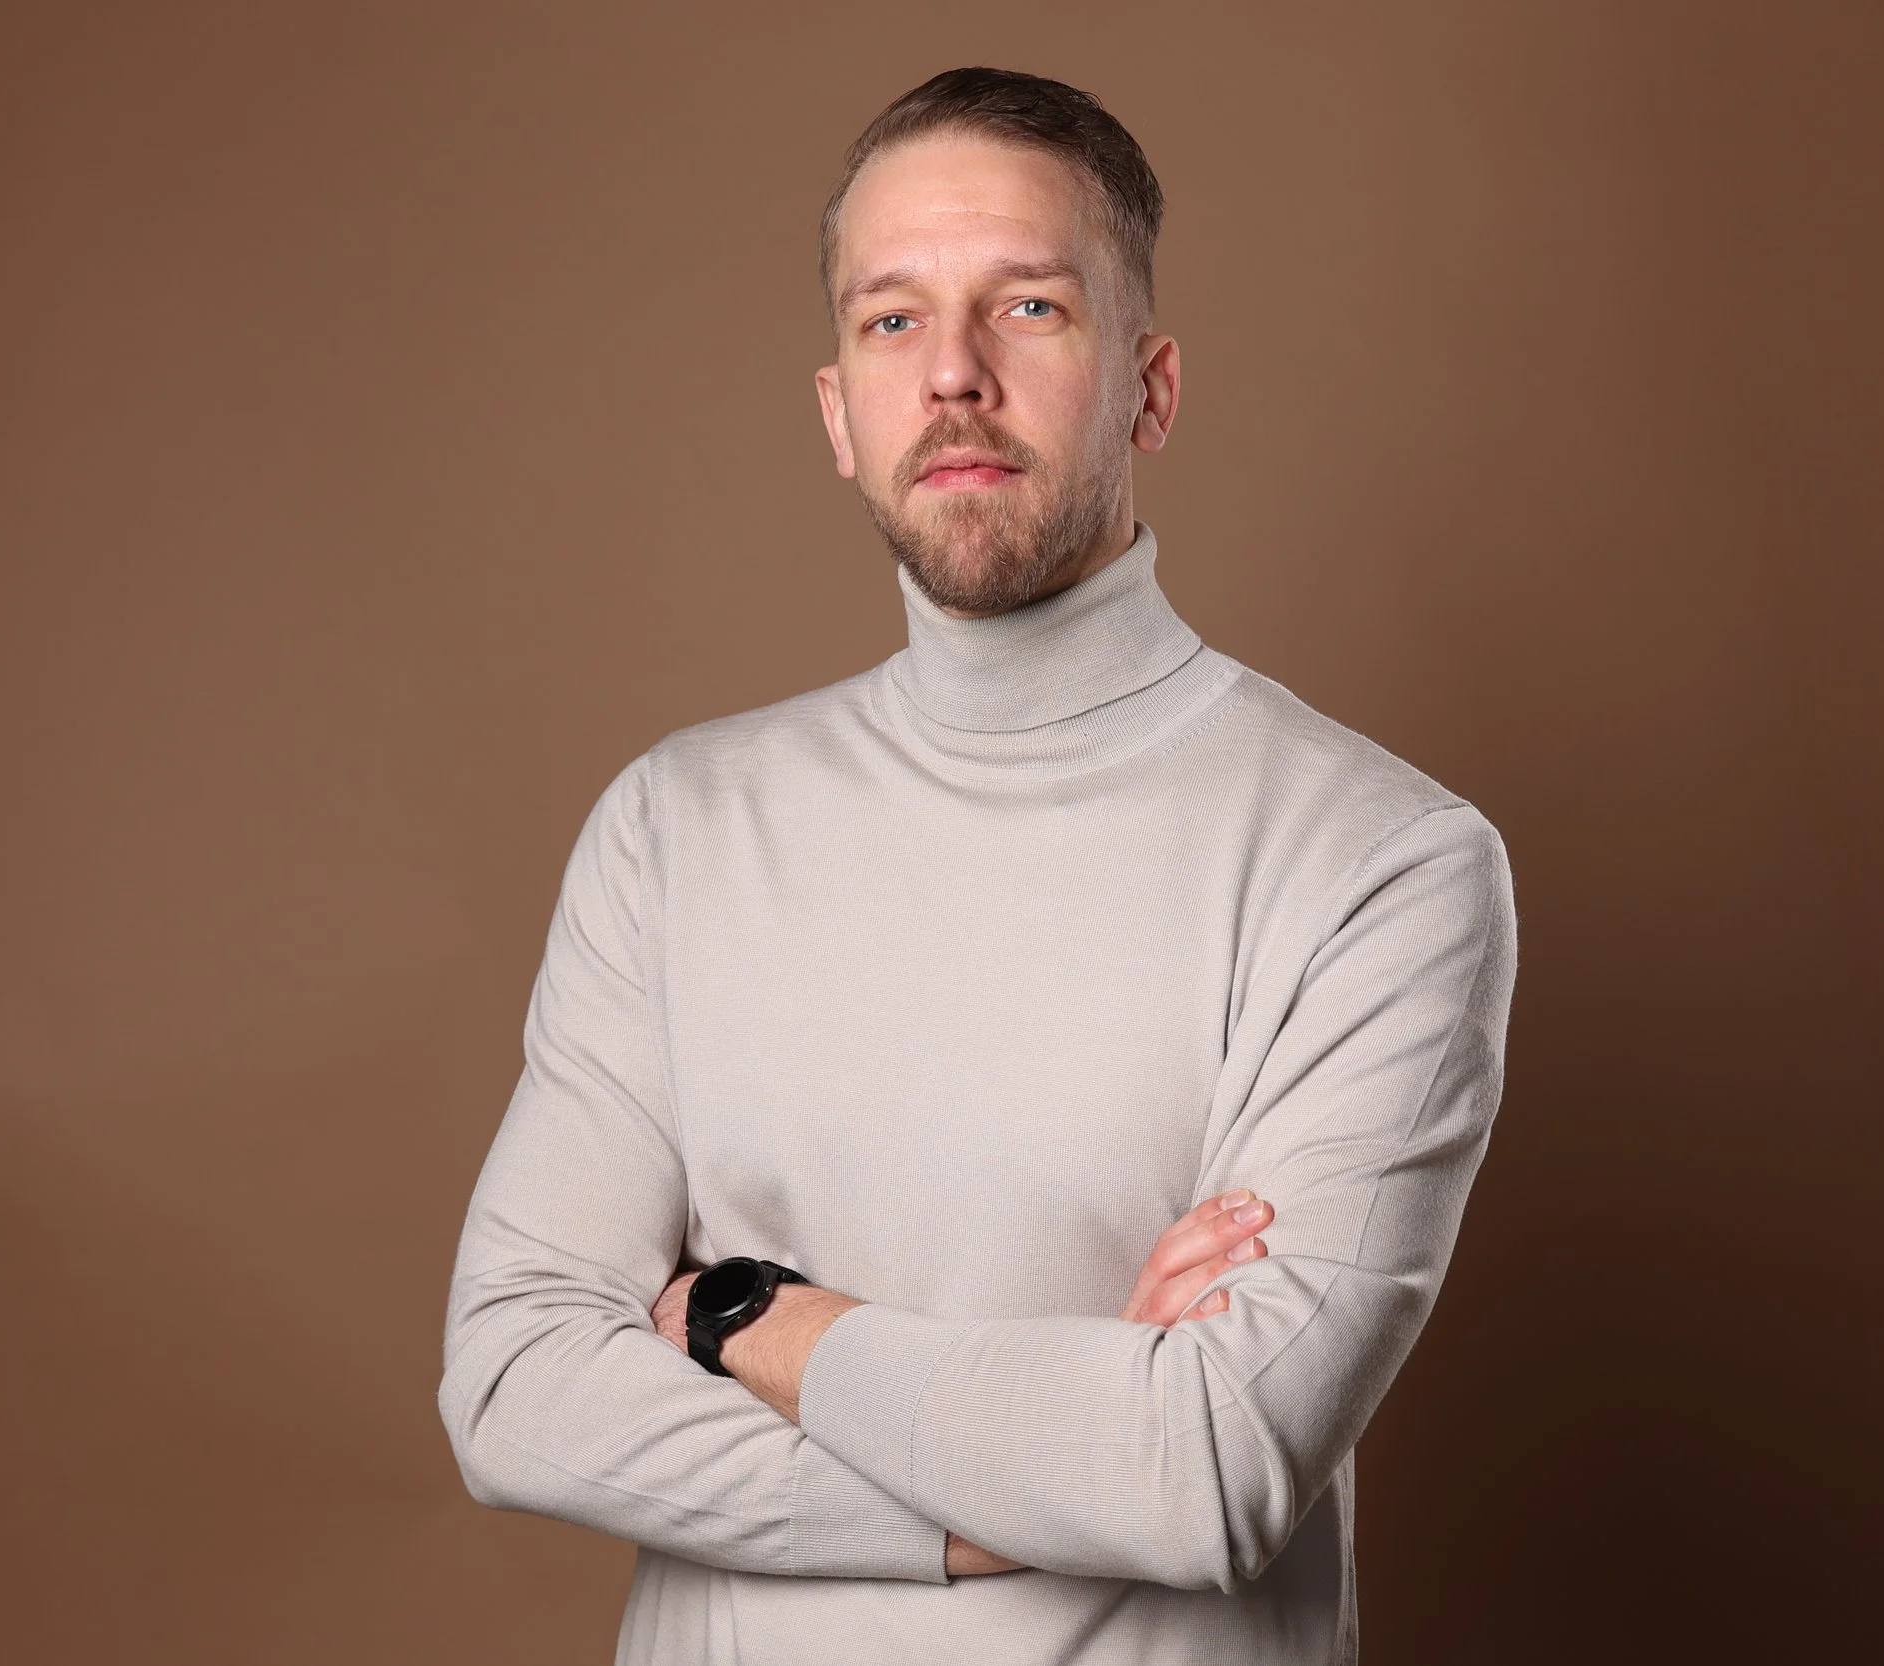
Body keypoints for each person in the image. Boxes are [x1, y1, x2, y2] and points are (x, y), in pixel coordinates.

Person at [439, 66, 1517, 1666]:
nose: (952, 372)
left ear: (1150, 387)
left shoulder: (1383, 862)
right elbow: (513, 1385)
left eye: (1026, 307)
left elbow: (1203, 1470)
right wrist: (1031, 1478)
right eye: (893, 320)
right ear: (838, 414)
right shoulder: (676, 827)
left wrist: (749, 1317)